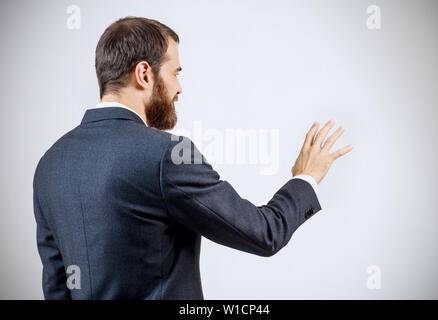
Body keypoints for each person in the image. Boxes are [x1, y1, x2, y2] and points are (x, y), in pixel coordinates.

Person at [33, 17, 353, 299]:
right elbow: (263, 233)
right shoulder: (167, 155)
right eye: (176, 73)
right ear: (144, 73)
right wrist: (306, 177)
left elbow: (57, 288)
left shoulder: (50, 165)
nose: (180, 88)